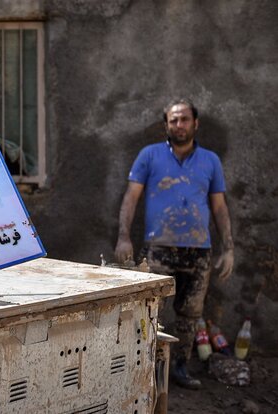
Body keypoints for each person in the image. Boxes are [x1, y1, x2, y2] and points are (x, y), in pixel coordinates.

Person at [114, 98, 234, 390]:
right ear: (166, 125)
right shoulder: (149, 155)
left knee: (190, 315)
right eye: (173, 120)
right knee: (151, 310)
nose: (178, 125)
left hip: (198, 251)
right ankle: (145, 369)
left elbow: (219, 207)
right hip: (158, 249)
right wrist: (123, 236)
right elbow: (131, 197)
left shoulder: (210, 161)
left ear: (195, 123)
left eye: (184, 119)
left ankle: (179, 367)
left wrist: (228, 247)